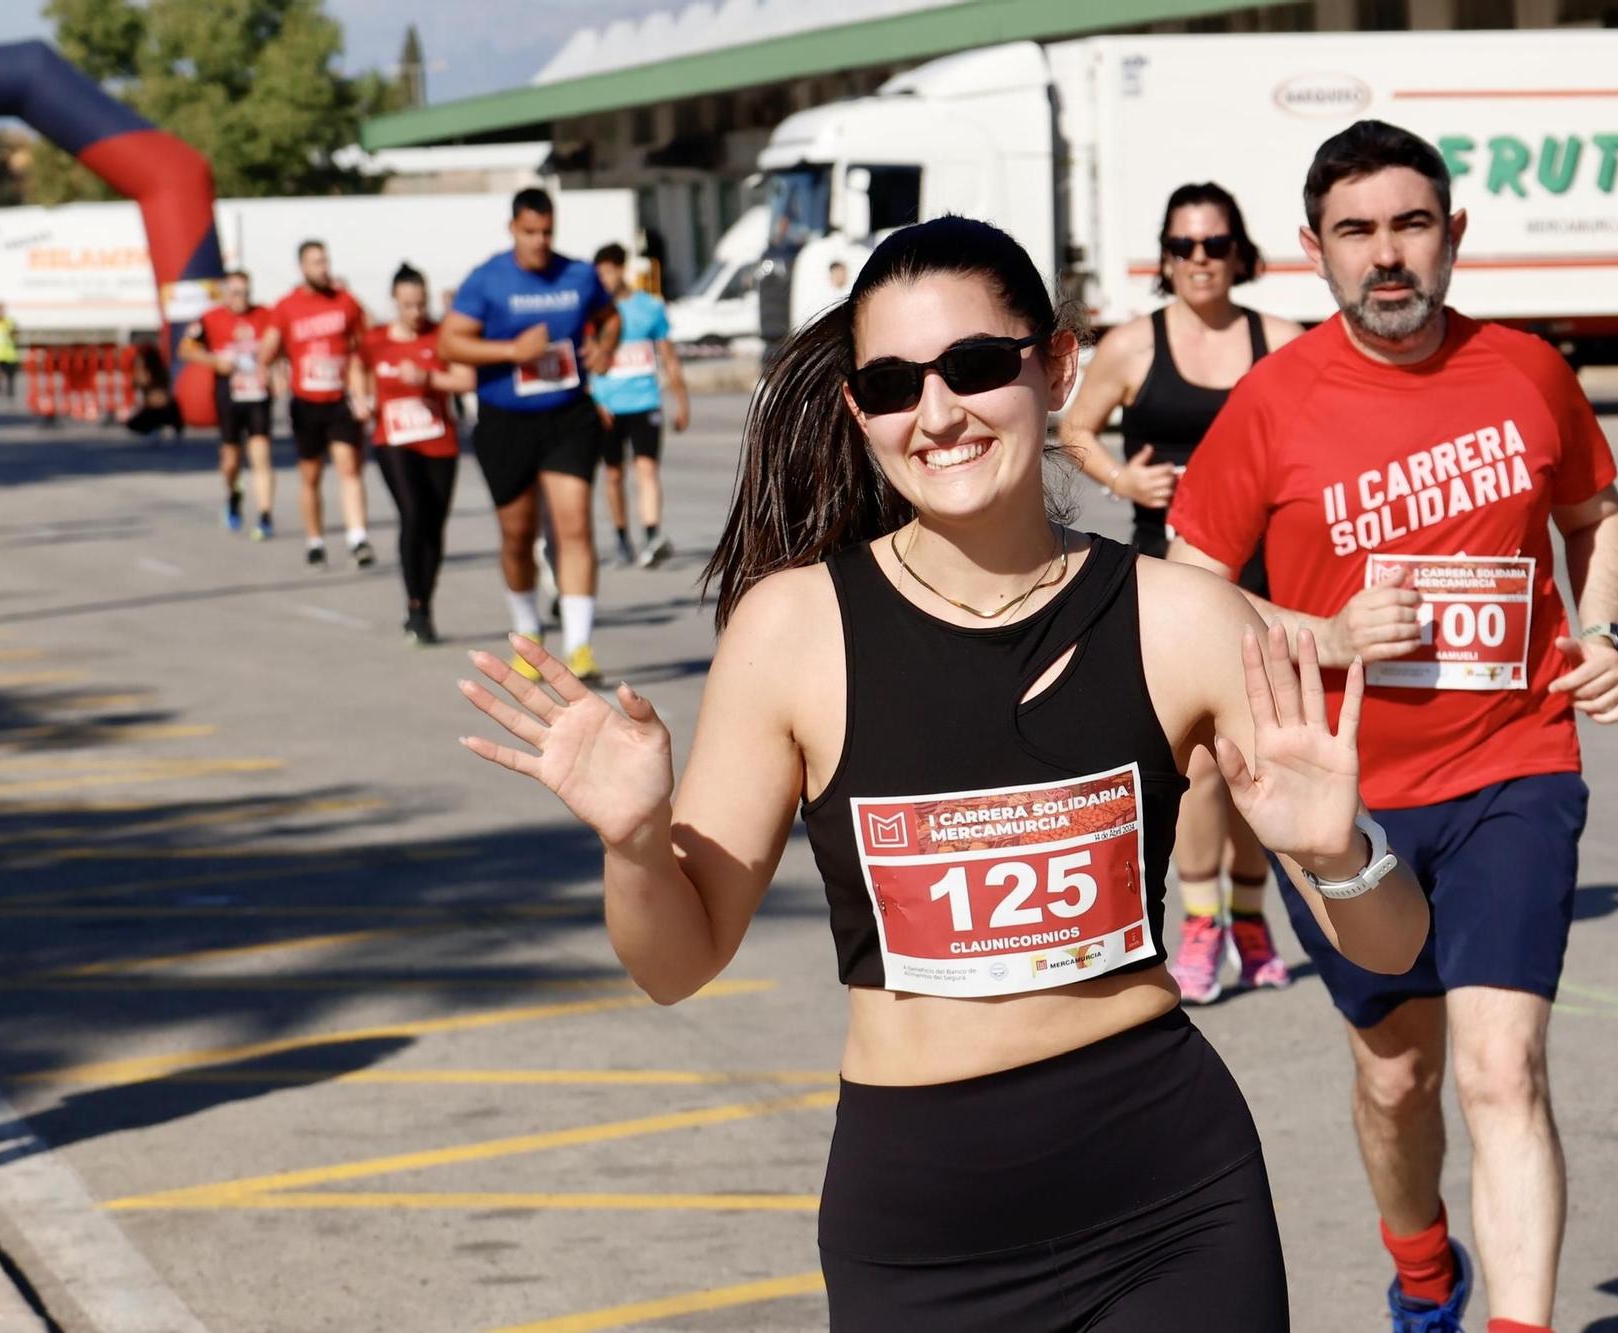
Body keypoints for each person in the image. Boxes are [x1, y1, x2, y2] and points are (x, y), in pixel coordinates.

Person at [457, 215, 1431, 1330]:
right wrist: (634, 845)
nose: (936, 415)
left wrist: (1334, 854)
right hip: (919, 1231)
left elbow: (1391, 946)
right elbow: (674, 964)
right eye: (889, 383)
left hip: (1168, 1197)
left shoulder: (1182, 619)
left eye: (973, 367)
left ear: (1055, 366)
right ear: (856, 408)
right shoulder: (793, 632)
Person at [1166, 120, 1618, 1333]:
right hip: (1340, 797)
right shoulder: (1273, 402)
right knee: (1397, 1073)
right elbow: (1183, 585)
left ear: (1452, 235)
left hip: (1512, 767)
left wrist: (1603, 633)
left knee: (1498, 1068)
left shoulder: (1526, 371)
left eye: (1410, 225)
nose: (1387, 256)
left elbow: (1595, 514)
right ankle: (1421, 1268)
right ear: (1313, 252)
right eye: (1357, 232)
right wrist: (1323, 636)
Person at [1062, 182, 1305, 1005]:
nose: (1199, 260)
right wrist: (1123, 477)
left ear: (1239, 251)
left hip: (1271, 584)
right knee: (1198, 767)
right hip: (1168, 581)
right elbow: (1074, 429)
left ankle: (1249, 918)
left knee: (1260, 761)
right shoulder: (1135, 344)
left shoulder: (1283, 341)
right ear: (1166, 259)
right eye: (1183, 247)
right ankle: (1199, 923)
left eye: (1213, 243)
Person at [438, 187, 619, 682]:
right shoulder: (488, 279)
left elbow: (609, 318)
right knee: (517, 536)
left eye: (547, 232)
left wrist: (603, 349)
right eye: (530, 232)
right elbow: (449, 342)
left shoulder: (578, 275)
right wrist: (511, 352)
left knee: (574, 525)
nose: (540, 241)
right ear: (513, 228)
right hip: (506, 421)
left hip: (567, 416)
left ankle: (580, 647)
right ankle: (529, 631)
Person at [362, 263, 473, 645]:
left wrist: (428, 379)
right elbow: (357, 369)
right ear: (394, 301)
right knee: (412, 514)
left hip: (439, 440)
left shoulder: (442, 336)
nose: (415, 312)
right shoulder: (375, 339)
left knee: (434, 525)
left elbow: (465, 379)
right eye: (407, 305)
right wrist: (360, 398)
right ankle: (413, 606)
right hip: (394, 439)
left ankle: (426, 603)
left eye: (420, 304)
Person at [261, 240, 375, 571]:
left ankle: (358, 538)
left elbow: (367, 344)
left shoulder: (345, 302)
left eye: (325, 261)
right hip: (306, 402)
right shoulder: (286, 306)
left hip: (339, 398)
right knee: (310, 476)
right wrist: (273, 364)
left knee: (349, 468)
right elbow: (267, 350)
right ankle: (315, 540)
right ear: (302, 268)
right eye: (315, 263)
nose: (323, 268)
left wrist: (364, 390)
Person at [590, 242, 689, 569]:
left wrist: (682, 402)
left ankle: (651, 536)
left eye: (608, 271)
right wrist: (593, 400)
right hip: (608, 405)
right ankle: (621, 539)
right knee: (614, 475)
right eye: (599, 273)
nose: (604, 279)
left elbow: (669, 358)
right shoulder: (595, 312)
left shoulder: (650, 307)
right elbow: (586, 362)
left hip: (645, 401)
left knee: (647, 469)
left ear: (621, 269)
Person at [179, 271, 278, 539]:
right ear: (225, 294)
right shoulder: (211, 318)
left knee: (261, 454)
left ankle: (265, 515)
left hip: (258, 395)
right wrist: (214, 362)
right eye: (235, 293)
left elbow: (280, 345)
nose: (240, 299)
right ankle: (234, 494)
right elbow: (185, 348)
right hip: (228, 395)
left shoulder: (265, 315)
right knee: (231, 460)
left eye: (245, 292)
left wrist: (275, 367)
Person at [121, 336, 184, 437]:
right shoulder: (163, 370)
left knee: (134, 424)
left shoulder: (147, 371)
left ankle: (160, 426)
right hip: (168, 409)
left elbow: (137, 383)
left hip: (156, 410)